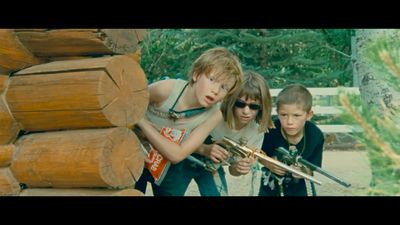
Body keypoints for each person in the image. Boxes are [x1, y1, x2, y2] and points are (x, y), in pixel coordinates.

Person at [134, 47, 243, 196]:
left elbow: (177, 155)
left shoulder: (215, 114)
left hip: (166, 165)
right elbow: (130, 104)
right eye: (212, 80)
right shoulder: (167, 90)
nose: (216, 90)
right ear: (196, 74)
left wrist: (142, 122)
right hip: (133, 153)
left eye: (224, 87)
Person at [183, 70, 274, 196]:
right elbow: (178, 136)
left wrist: (239, 168)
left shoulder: (257, 131)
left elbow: (233, 170)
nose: (246, 111)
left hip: (211, 168)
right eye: (240, 104)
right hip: (182, 160)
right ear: (230, 100)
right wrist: (204, 149)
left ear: (262, 106)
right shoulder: (213, 112)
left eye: (254, 106)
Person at [258, 84, 324, 196]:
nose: (289, 121)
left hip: (301, 189)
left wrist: (304, 171)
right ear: (277, 112)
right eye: (283, 115)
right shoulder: (270, 130)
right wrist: (269, 163)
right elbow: (259, 154)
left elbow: (312, 168)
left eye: (296, 115)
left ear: (308, 115)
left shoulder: (315, 136)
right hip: (270, 187)